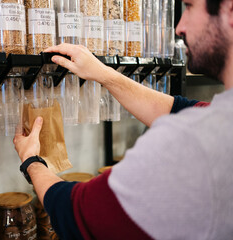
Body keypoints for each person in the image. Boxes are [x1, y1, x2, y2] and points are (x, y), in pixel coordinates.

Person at [13, 0, 233, 238]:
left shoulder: (193, 143)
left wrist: (31, 161)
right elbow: (179, 108)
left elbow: (78, 215)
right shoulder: (217, 124)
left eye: (189, 6)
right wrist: (104, 74)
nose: (179, 27)